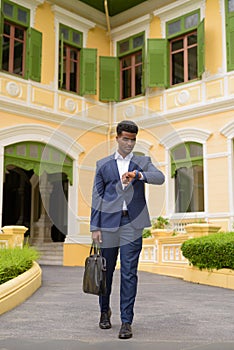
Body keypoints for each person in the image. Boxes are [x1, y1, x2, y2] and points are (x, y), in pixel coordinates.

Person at [90, 120, 165, 339]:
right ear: (117, 138)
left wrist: (139, 175)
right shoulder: (103, 164)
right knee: (106, 271)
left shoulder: (142, 162)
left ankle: (126, 321)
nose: (129, 143)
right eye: (125, 139)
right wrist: (95, 226)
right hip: (108, 224)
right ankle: (104, 311)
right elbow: (97, 197)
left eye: (133, 139)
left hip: (133, 224)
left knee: (129, 273)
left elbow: (159, 178)